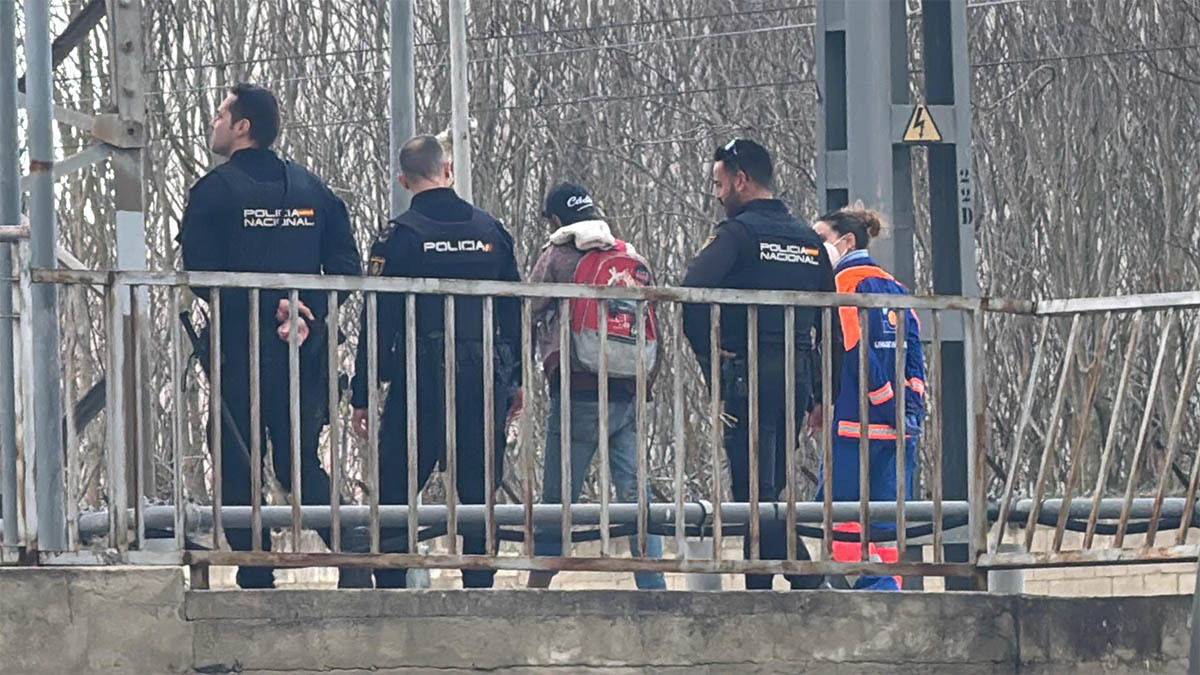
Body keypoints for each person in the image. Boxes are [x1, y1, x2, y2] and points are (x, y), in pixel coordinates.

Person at [177, 83, 365, 589]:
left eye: (221, 115)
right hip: (302, 348)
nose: (213, 122)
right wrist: (304, 311)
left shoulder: (213, 191)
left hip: (238, 348)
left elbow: (201, 274)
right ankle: (354, 556)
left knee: (235, 458)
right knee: (298, 460)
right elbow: (346, 267)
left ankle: (256, 570)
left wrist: (269, 310)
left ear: (243, 127)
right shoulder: (312, 189)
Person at [350, 134, 521, 589]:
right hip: (483, 376)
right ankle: (479, 587)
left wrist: (363, 391)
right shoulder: (491, 232)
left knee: (397, 485)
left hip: (419, 377)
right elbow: (512, 311)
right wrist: (516, 380)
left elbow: (377, 317)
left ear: (404, 180)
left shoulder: (398, 237)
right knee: (478, 488)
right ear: (448, 171)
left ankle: (391, 588)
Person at [681, 138, 841, 590]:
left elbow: (691, 292)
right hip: (795, 376)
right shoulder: (808, 240)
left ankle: (808, 583)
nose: (717, 195)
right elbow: (832, 324)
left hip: (747, 376)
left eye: (719, 184)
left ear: (741, 181)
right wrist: (822, 393)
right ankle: (765, 590)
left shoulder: (737, 235)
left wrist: (710, 355)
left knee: (753, 492)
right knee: (767, 488)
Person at [524, 182, 666, 590]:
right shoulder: (630, 255)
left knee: (558, 498)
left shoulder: (557, 255)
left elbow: (529, 306)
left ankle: (538, 590)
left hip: (579, 389)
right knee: (636, 495)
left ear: (556, 220)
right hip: (628, 390)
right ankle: (653, 588)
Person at [811, 205, 926, 591]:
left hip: (855, 423)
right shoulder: (896, 288)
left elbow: (855, 348)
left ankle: (867, 591)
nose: (815, 248)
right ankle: (890, 595)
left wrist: (881, 399)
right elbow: (915, 355)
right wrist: (908, 406)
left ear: (846, 242)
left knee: (842, 517)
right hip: (898, 429)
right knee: (887, 524)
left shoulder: (843, 284)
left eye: (821, 239)